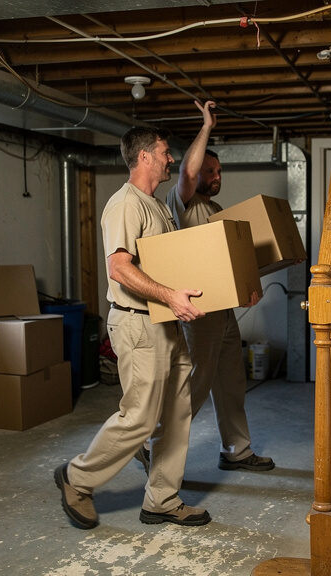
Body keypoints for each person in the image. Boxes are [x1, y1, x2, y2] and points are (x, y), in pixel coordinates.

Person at [54, 124, 209, 530]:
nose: (170, 159)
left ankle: (162, 499)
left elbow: (166, 265)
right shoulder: (125, 204)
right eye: (165, 152)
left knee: (177, 413)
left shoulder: (156, 205)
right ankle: (77, 478)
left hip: (166, 322)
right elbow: (120, 269)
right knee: (139, 417)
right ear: (144, 157)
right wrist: (170, 296)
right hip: (139, 324)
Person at [137, 99, 275, 473]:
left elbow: (230, 264)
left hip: (223, 312)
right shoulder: (181, 203)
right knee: (194, 384)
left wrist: (249, 287)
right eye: (209, 171)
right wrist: (206, 127)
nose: (216, 177)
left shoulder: (215, 211)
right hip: (198, 312)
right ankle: (152, 444)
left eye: (219, 172)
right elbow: (186, 171)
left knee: (231, 382)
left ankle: (236, 450)